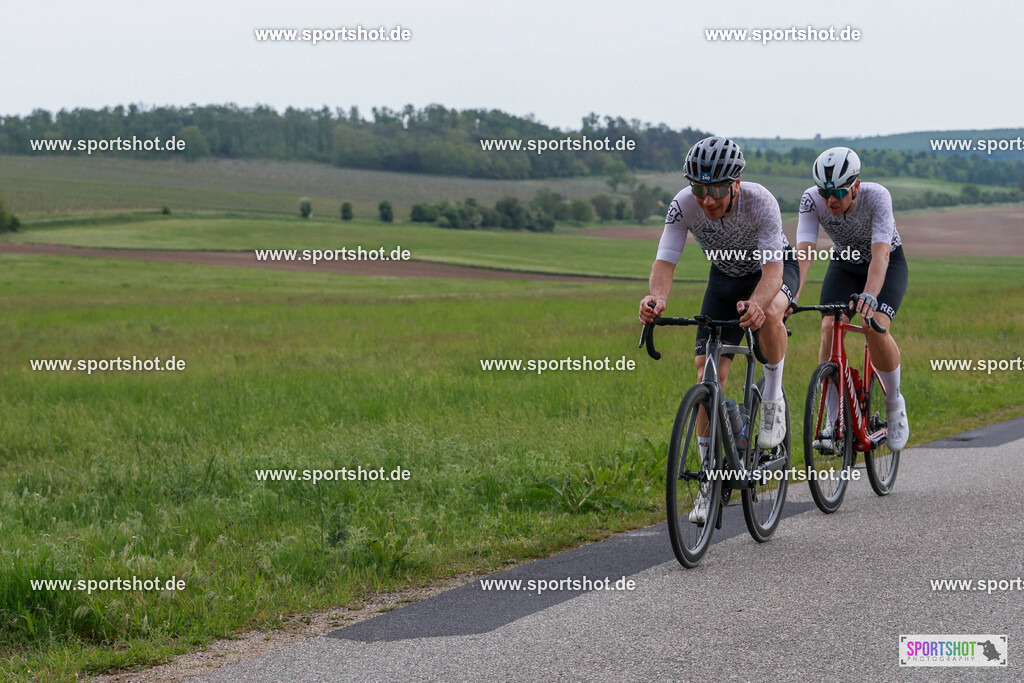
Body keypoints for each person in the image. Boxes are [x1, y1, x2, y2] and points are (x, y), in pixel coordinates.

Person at [639, 136, 798, 524]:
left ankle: (772, 398)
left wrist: (757, 304)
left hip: (770, 271)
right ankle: (710, 484)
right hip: (725, 278)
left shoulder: (760, 202)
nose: (707, 200)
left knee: (770, 314)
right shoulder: (683, 205)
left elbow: (773, 271)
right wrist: (656, 299)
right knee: (706, 375)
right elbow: (665, 262)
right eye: (699, 189)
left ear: (736, 184)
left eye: (717, 190)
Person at [793, 146, 910, 451]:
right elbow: (804, 253)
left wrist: (870, 294)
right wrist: (791, 294)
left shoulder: (877, 196)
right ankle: (834, 422)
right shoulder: (811, 200)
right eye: (824, 192)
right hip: (845, 264)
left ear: (855, 186)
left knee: (874, 326)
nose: (830, 200)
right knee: (829, 327)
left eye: (838, 192)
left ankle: (894, 403)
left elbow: (881, 254)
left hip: (886, 264)